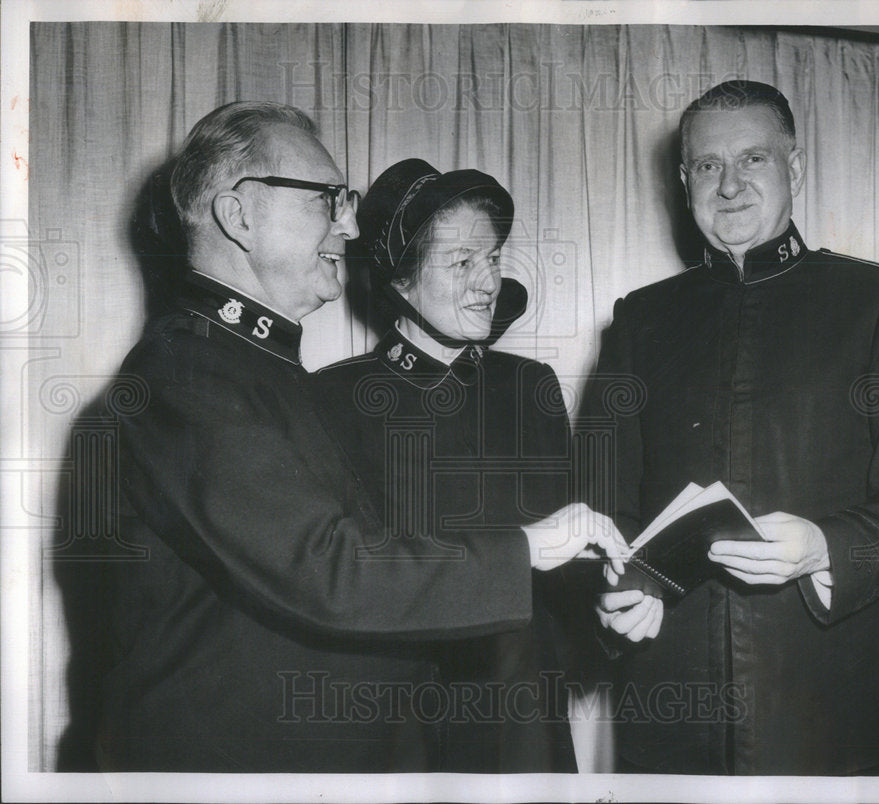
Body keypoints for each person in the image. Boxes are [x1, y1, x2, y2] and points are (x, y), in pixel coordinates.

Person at [94, 103, 624, 772]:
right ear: (239, 214)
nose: (348, 223)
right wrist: (526, 547)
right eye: (327, 199)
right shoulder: (187, 372)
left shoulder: (257, 366)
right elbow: (330, 568)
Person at [588, 80, 879, 775]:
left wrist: (826, 547)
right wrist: (611, 591)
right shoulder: (638, 320)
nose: (728, 186)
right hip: (669, 706)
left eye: (753, 159)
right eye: (707, 166)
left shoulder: (875, 300)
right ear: (684, 179)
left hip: (827, 706)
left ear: (794, 169)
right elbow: (599, 505)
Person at [311, 158, 604, 772]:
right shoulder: (331, 401)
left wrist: (614, 598)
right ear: (402, 282)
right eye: (462, 262)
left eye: (493, 258)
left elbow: (568, 576)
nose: (487, 281)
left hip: (526, 719)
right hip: (397, 730)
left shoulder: (531, 388)